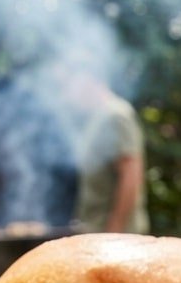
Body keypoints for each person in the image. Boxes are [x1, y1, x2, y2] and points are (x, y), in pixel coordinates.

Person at [58, 61, 150, 234]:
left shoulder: (115, 115)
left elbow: (130, 175)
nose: (69, 93)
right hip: (95, 236)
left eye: (71, 84)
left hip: (115, 241)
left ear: (89, 81)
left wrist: (114, 231)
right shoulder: (96, 119)